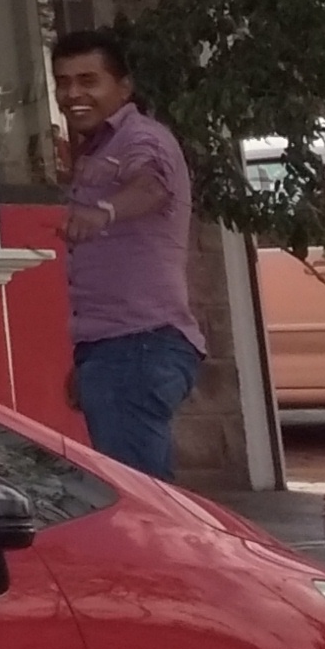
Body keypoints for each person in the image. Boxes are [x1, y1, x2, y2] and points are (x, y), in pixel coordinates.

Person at [53, 28, 204, 478]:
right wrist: (92, 362)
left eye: (88, 80)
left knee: (143, 500)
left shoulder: (141, 139)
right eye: (63, 82)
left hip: (138, 347)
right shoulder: (100, 146)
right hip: (119, 351)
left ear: (124, 87)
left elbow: (152, 186)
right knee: (141, 491)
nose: (73, 94)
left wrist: (104, 211)